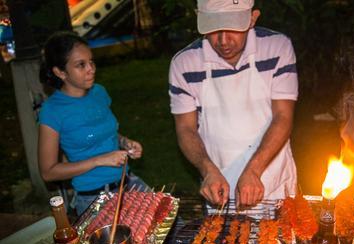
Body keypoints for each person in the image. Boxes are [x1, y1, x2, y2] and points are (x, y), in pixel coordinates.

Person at [169, 0, 298, 209]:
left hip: (272, 178)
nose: (223, 41)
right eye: (213, 29)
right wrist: (207, 169)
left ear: (252, 18)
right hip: (218, 183)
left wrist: (254, 170)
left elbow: (283, 115)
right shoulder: (184, 64)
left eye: (232, 28)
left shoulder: (277, 47)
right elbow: (185, 128)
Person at [38, 31, 147, 216]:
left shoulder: (99, 92)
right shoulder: (52, 111)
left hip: (126, 182)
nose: (91, 69)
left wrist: (125, 142)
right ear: (60, 72)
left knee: (172, 226)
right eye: (81, 65)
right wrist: (99, 160)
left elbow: (106, 133)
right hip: (94, 198)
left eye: (91, 61)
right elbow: (48, 172)